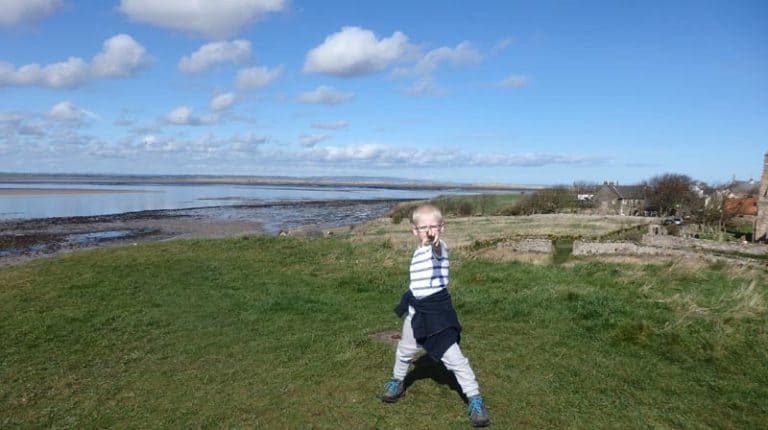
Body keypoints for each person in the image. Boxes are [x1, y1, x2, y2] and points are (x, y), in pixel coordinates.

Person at [381, 204, 490, 427]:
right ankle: (397, 381)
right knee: (404, 352)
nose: (429, 231)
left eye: (433, 227)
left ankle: (475, 398)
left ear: (442, 227)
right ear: (414, 230)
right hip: (415, 313)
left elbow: (437, 249)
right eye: (424, 227)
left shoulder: (440, 249)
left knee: (455, 360)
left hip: (437, 315)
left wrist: (435, 242)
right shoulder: (417, 251)